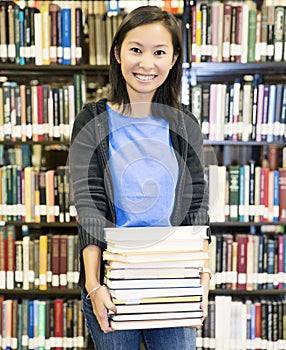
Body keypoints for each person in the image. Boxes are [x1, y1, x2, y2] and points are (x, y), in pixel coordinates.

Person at [69, 5, 211, 350]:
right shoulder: (92, 120)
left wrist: (202, 284)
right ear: (117, 53)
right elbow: (89, 208)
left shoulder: (183, 123)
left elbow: (197, 208)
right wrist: (93, 286)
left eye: (159, 52)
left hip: (174, 281)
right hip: (112, 282)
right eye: (136, 49)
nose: (146, 64)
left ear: (174, 58)